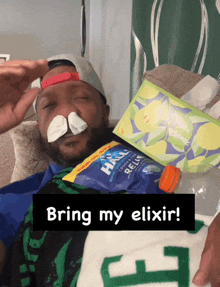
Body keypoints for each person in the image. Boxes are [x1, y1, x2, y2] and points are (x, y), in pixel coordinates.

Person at [0, 56, 219, 286]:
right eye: (49, 105)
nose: (65, 113)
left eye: (81, 97)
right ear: (39, 127)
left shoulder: (162, 151)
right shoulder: (11, 202)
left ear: (105, 112)